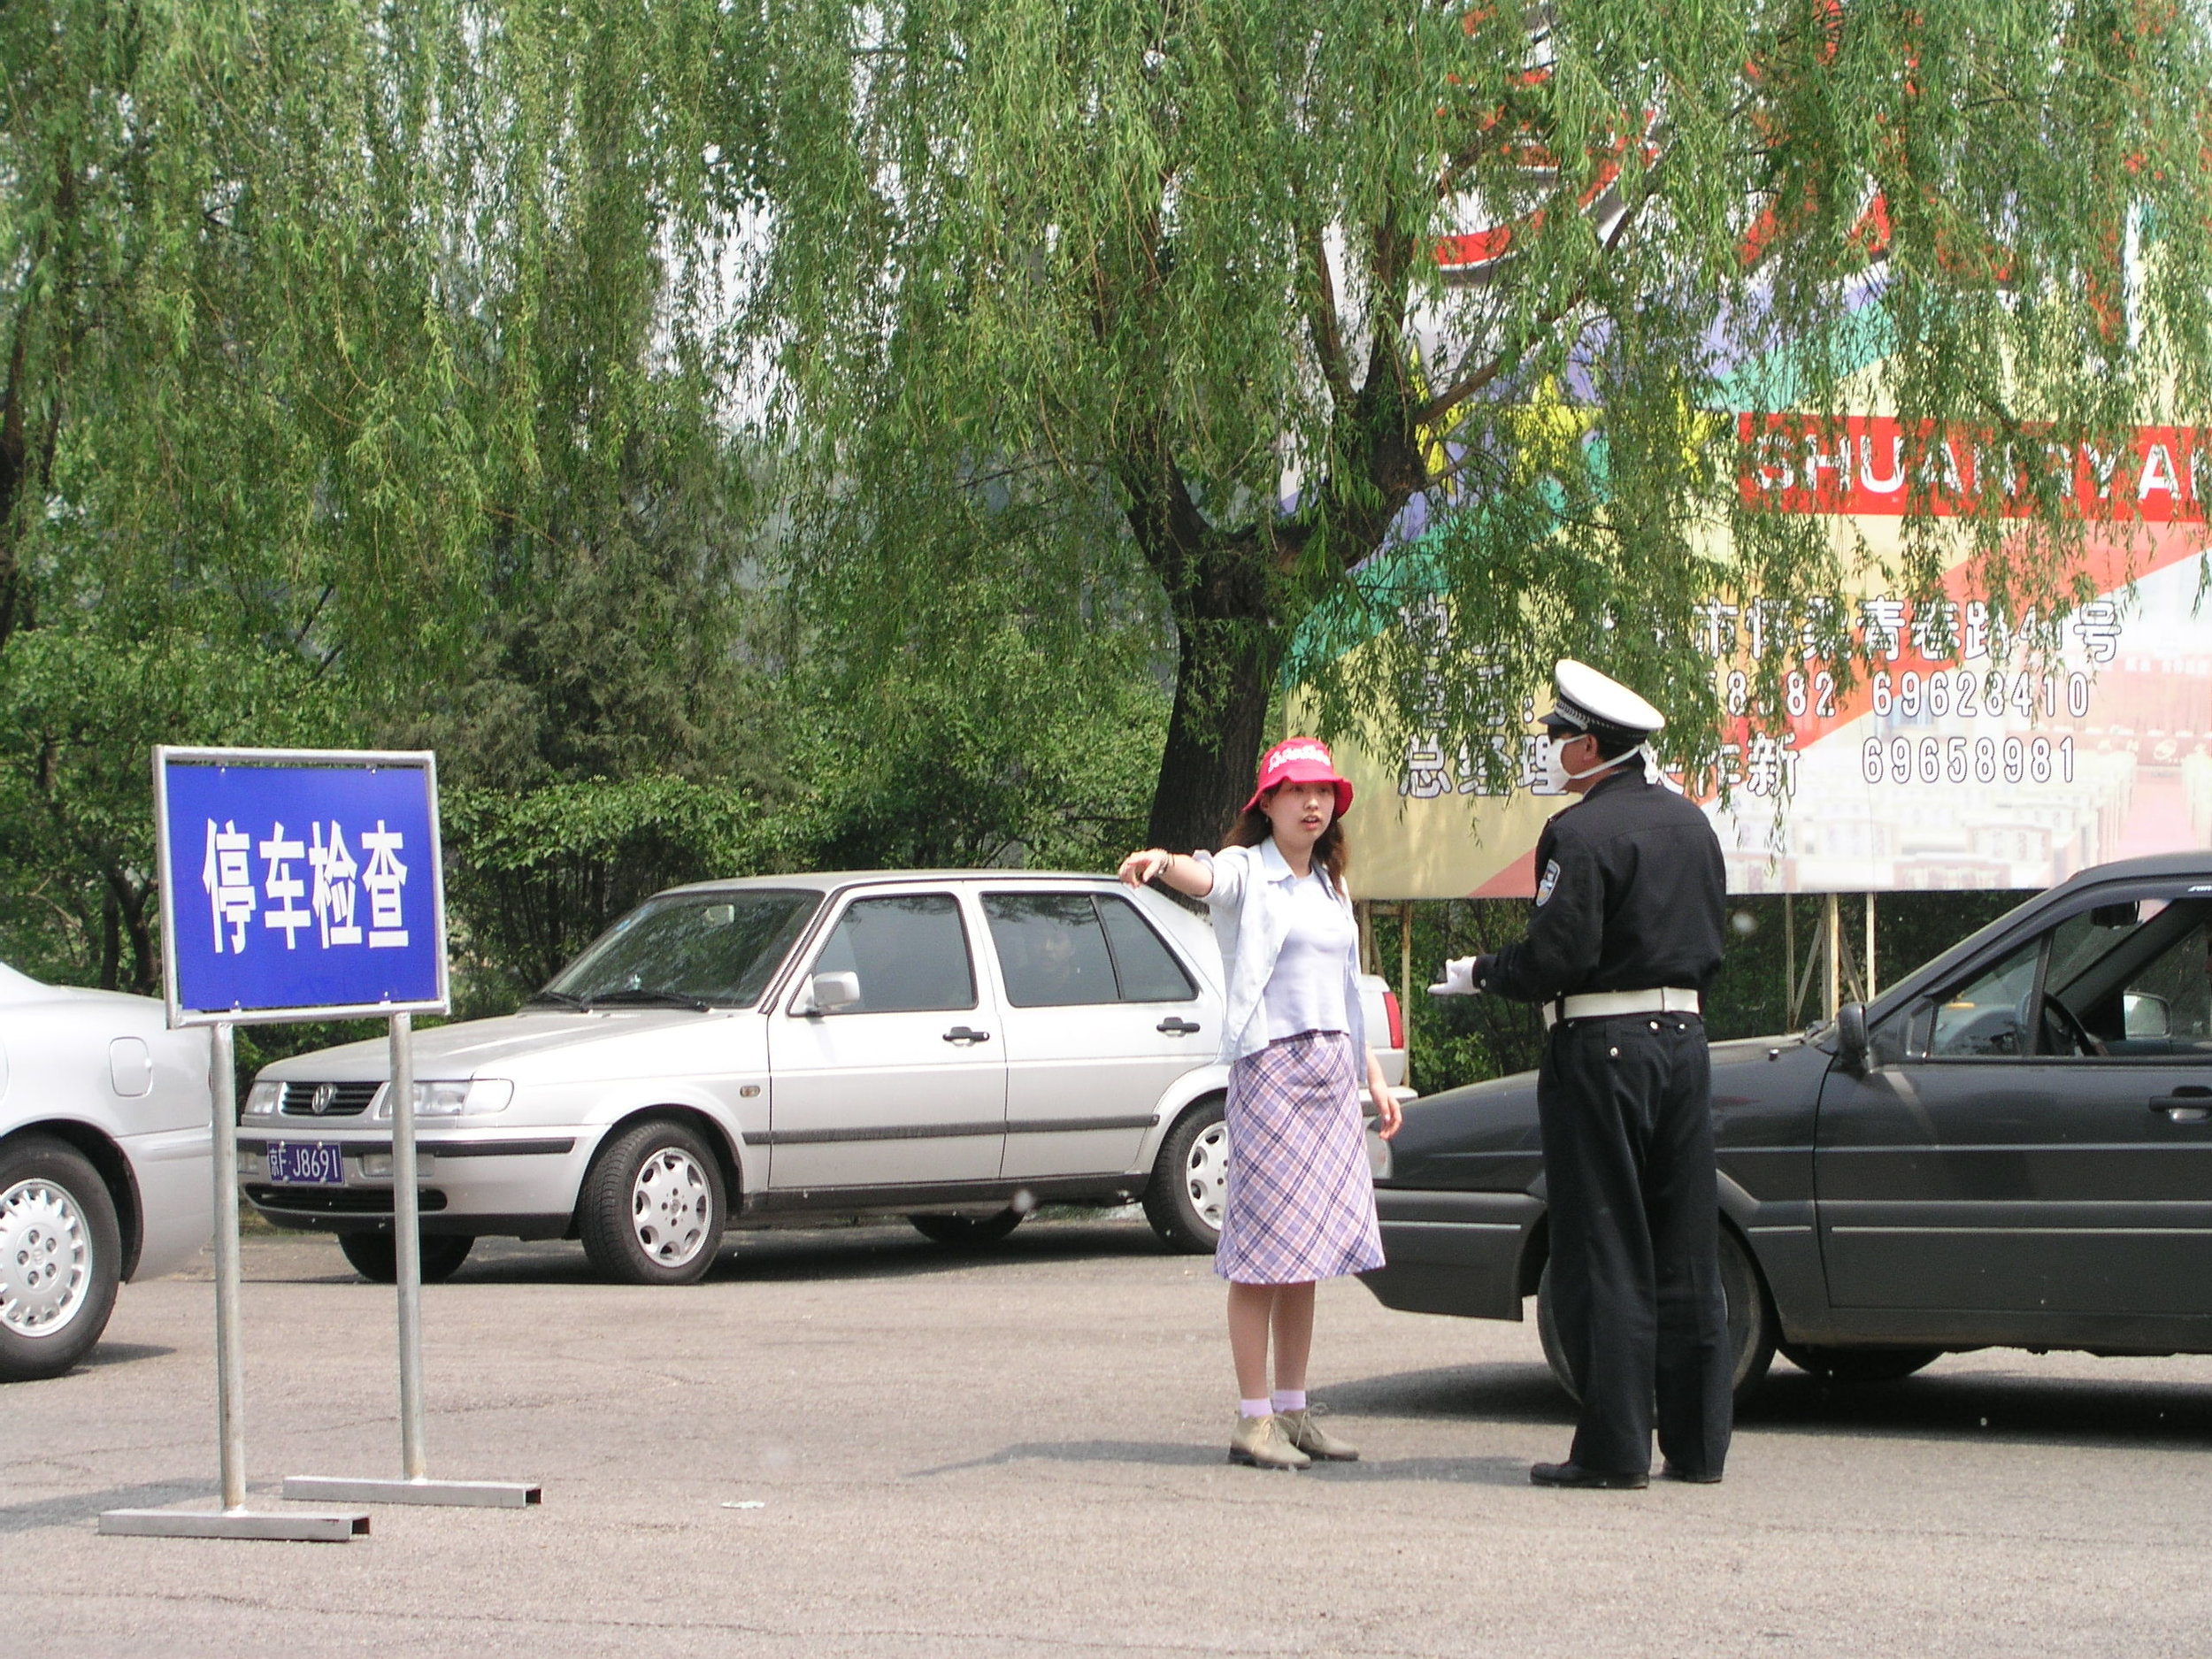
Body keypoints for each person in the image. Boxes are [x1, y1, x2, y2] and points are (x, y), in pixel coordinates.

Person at [1432, 660, 1732, 1489]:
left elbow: (1559, 955)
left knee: (1606, 1245)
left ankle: (1613, 1450)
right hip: (1684, 1043)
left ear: (1592, 747)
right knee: (1685, 1247)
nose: (1551, 749)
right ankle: (1700, 1448)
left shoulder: (1579, 834)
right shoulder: (1692, 823)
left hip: (1602, 1048)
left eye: (1559, 737)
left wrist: (1486, 971)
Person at [1119, 737, 1403, 1471]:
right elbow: (1205, 876)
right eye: (1295, 791)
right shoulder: (1251, 870)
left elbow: (1346, 989)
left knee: (1305, 1254)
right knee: (1262, 1253)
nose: (1312, 803)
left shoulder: (1332, 888)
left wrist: (1372, 1075)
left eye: (1323, 793)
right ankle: (1252, 1420)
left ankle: (1293, 1409)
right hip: (1273, 1069)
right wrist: (1161, 862)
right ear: (1267, 803)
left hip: (1332, 1069)